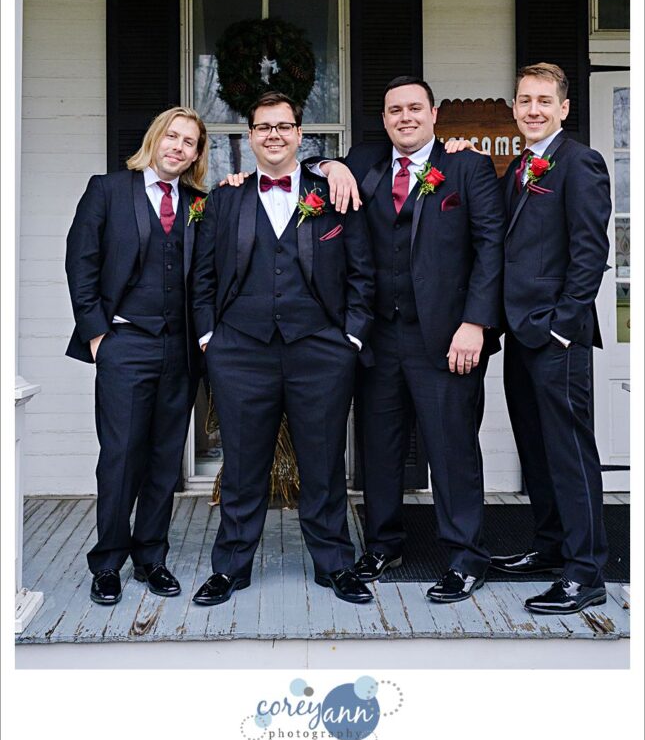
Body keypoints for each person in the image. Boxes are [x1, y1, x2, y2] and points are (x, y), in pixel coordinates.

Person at [321, 77, 506, 603]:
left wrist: (476, 323)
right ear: (383, 119)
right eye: (394, 110)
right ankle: (383, 545)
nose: (405, 117)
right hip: (378, 337)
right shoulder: (362, 162)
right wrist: (330, 165)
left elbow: (490, 247)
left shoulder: (466, 167)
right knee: (379, 448)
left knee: (451, 447)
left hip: (448, 338)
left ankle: (466, 558)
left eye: (414, 108)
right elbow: (307, 170)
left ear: (434, 113)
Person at [191, 91, 375, 606]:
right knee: (244, 466)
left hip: (320, 350)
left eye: (284, 126)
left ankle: (335, 565)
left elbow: (363, 272)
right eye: (263, 127)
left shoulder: (334, 192)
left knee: (323, 464)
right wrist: (210, 338)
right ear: (249, 137)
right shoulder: (223, 199)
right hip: (240, 351)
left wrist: (350, 338)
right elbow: (202, 276)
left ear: (300, 134)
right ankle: (230, 569)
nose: (274, 135)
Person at [65, 107, 209, 605]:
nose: (178, 147)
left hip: (181, 350)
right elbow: (81, 262)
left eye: (189, 142)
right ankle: (107, 562)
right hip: (124, 344)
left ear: (196, 154)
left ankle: (152, 558)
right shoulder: (107, 190)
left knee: (165, 461)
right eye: (172, 136)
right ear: (155, 138)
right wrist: (97, 335)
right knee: (122, 457)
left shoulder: (199, 203)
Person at [490, 62, 612, 615]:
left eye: (544, 100)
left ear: (564, 108)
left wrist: (563, 327)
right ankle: (550, 547)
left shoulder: (579, 163)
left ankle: (586, 572)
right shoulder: (519, 166)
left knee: (568, 453)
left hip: (557, 336)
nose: (532, 109)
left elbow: (590, 254)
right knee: (535, 450)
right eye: (524, 100)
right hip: (521, 334)